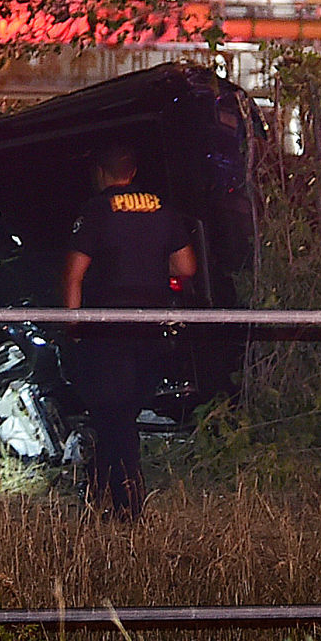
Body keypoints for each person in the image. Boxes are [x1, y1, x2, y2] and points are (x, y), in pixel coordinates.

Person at [60, 142, 197, 519]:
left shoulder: (96, 211)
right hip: (149, 328)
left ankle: (129, 504)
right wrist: (150, 268)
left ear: (101, 173)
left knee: (113, 415)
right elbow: (186, 268)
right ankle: (99, 492)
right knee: (118, 413)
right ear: (132, 172)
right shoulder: (162, 209)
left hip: (106, 329)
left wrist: (74, 326)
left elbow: (74, 274)